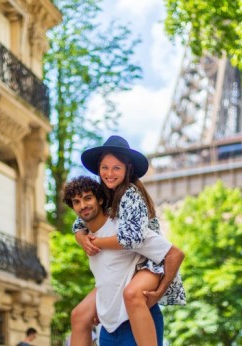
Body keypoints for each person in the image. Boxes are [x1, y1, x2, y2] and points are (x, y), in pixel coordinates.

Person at [70, 135, 186, 346]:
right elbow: (79, 225)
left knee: (132, 294)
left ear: (127, 169)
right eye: (105, 168)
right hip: (124, 264)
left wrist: (94, 242)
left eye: (116, 168)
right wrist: (81, 239)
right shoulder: (102, 197)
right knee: (79, 315)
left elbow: (132, 238)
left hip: (147, 261)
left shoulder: (130, 193)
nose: (109, 173)